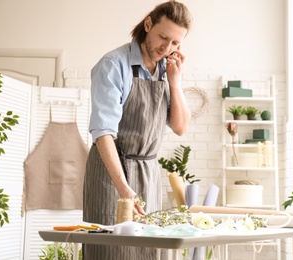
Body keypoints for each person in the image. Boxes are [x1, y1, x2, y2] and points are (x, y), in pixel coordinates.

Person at [82, 1, 192, 259]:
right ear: (148, 25)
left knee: (147, 251)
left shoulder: (167, 69)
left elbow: (180, 127)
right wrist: (124, 189)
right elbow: (103, 133)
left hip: (148, 173)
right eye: (163, 37)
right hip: (112, 174)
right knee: (111, 251)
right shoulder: (113, 64)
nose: (167, 48)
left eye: (176, 43)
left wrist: (175, 83)